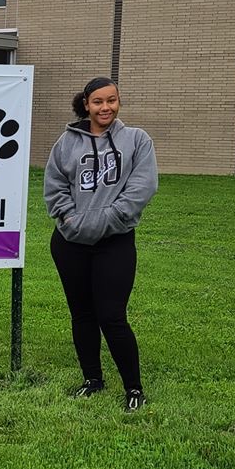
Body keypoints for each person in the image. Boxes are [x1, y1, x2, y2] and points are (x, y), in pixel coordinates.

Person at [43, 76, 158, 411]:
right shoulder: (66, 142)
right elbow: (54, 188)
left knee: (112, 315)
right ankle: (92, 379)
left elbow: (141, 190)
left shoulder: (137, 140)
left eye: (112, 100)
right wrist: (69, 220)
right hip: (69, 242)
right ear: (86, 104)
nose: (105, 107)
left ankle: (134, 388)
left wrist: (95, 223)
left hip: (115, 242)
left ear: (118, 102)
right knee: (82, 314)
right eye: (98, 102)